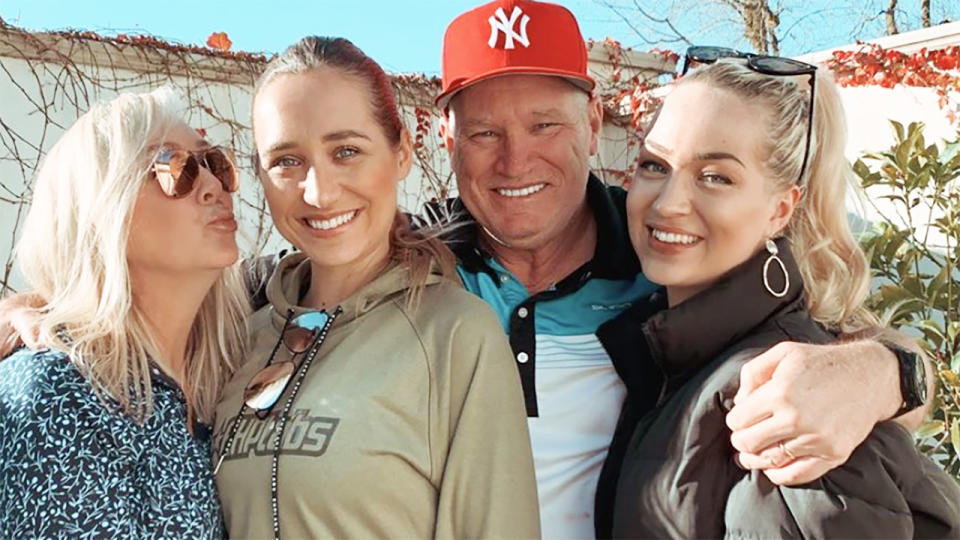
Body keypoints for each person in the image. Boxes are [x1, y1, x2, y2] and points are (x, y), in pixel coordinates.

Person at [431, 1, 934, 538]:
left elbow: (829, 348)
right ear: (447, 138)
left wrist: (880, 373)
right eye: (485, 132)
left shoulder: (671, 264)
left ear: (593, 122)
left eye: (545, 124)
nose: (516, 160)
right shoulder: (413, 273)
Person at [608, 53, 960, 538]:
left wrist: (886, 373)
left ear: (780, 209)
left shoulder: (791, 407)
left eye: (716, 176)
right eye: (654, 164)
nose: (668, 203)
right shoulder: (670, 347)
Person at [210, 36, 540, 539]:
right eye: (286, 160)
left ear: (402, 151)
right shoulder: (238, 338)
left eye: (346, 151)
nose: (318, 192)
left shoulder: (454, 335)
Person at [0, 88, 248, 537]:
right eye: (177, 169)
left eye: (214, 162)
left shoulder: (221, 375)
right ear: (102, 211)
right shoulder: (62, 394)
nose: (213, 186)